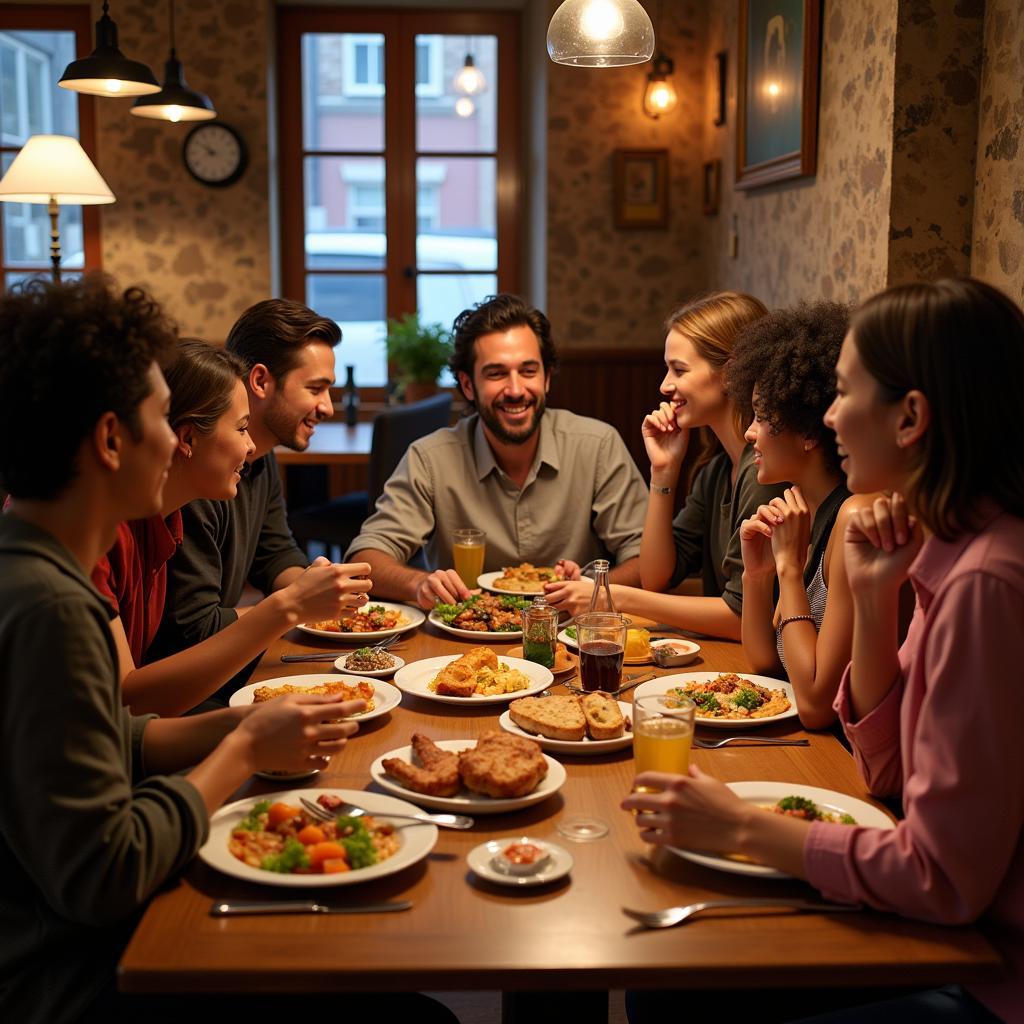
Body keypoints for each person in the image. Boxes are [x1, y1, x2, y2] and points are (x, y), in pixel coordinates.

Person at [623, 278, 1024, 1022]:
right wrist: (873, 603)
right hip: (955, 928)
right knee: (665, 979)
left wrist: (742, 827)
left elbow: (945, 881)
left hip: (988, 975)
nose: (830, 415)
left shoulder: (987, 582)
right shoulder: (944, 547)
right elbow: (886, 771)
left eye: (843, 392)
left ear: (910, 418)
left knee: (672, 991)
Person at [0, 277, 367, 1024]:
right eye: (160, 420)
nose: (176, 440)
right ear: (111, 440)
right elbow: (106, 871)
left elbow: (109, 737)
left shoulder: (41, 562)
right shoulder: (51, 606)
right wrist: (237, 755)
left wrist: (241, 728)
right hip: (68, 971)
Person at [92, 339, 372, 715]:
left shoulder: (164, 517)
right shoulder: (98, 534)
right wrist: (287, 607)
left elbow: (132, 719)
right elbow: (126, 705)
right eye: (242, 428)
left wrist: (249, 727)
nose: (252, 445)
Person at [347, 293, 649, 610]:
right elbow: (366, 559)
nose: (516, 390)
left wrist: (594, 591)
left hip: (572, 638)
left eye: (528, 371)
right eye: (496, 373)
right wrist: (419, 584)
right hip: (462, 642)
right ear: (467, 385)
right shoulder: (431, 458)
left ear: (546, 378)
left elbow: (645, 558)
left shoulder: (597, 445)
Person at [151, 299, 367, 695]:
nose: (328, 407)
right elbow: (192, 632)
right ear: (262, 381)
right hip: (196, 681)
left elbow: (273, 552)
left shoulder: (258, 456)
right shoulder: (198, 476)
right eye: (315, 388)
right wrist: (296, 605)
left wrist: (319, 591)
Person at [545, 292, 785, 639]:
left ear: (730, 374)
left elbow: (742, 618)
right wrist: (663, 471)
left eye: (679, 369)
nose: (664, 385)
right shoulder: (717, 471)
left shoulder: (762, 472)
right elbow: (657, 576)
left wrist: (611, 595)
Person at [728, 302, 875, 729]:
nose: (749, 432)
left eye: (761, 416)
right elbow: (763, 661)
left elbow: (814, 705)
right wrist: (757, 574)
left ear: (810, 430)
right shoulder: (801, 507)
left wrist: (789, 570)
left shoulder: (852, 516)